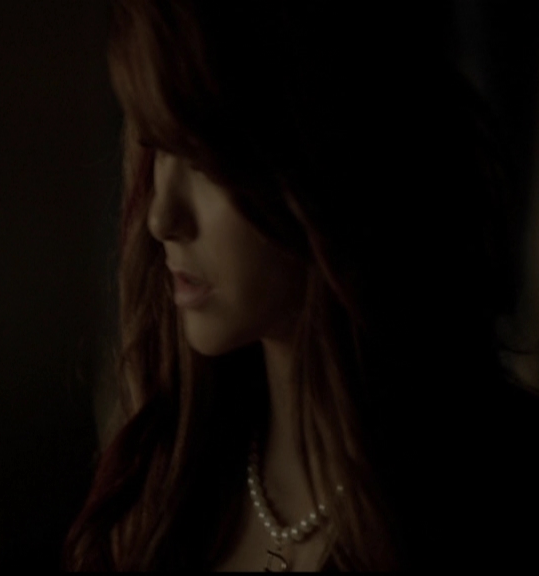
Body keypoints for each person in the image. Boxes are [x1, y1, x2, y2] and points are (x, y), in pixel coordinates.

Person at [65, 1, 539, 570]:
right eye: (157, 149)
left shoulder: (498, 496)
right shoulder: (165, 488)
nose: (161, 218)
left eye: (203, 161)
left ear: (321, 154)